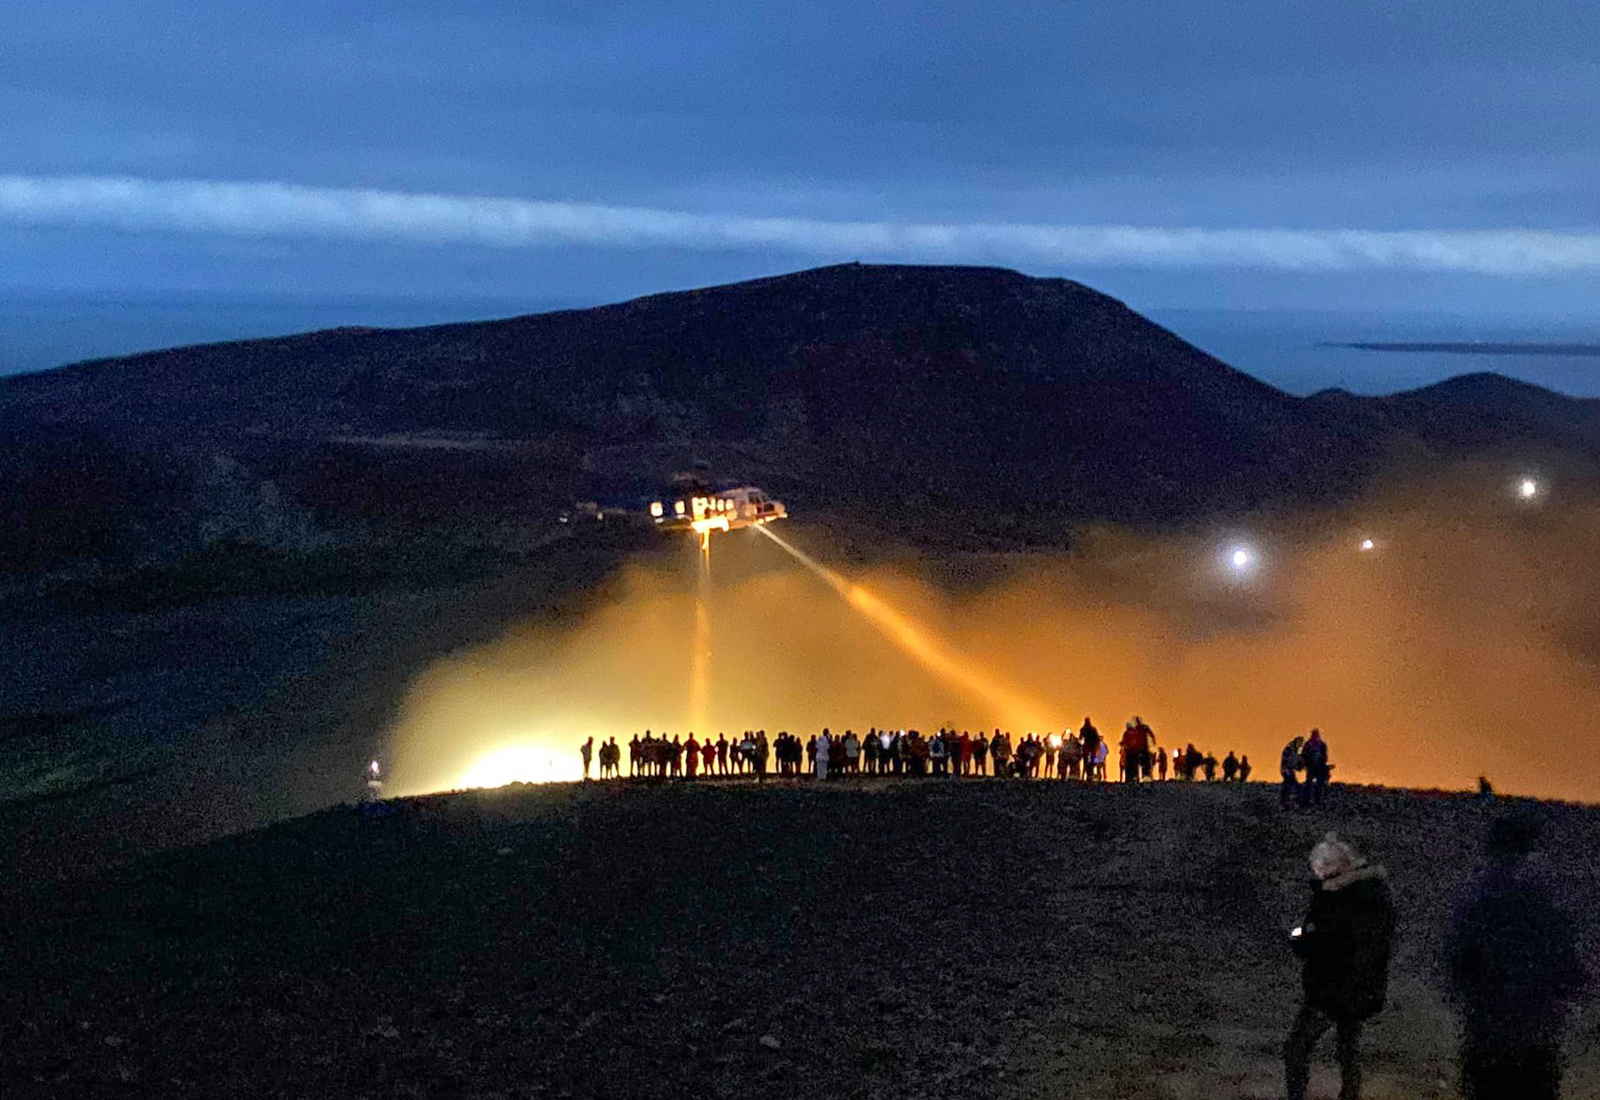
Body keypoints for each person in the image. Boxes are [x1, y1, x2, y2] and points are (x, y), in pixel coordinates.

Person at [1445, 810, 1587, 1100]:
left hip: (1487, 1031)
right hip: (1537, 1031)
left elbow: (1456, 960)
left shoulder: (1477, 893)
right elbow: (1569, 964)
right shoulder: (1549, 895)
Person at [1284, 833, 1395, 1100]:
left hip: (1332, 987)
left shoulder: (1338, 898)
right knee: (1348, 1049)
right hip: (1361, 986)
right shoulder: (1374, 894)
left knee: (1297, 1048)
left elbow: (1324, 942)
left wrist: (1300, 939)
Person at [1302, 729, 1331, 807]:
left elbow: (1324, 757)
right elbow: (1304, 756)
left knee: (1317, 784)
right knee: (1312, 784)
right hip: (1312, 768)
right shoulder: (1311, 744)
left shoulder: (1319, 745)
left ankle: (1316, 800)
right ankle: (1310, 800)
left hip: (1317, 768)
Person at [1281, 737, 1305, 810]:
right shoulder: (1291, 749)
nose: (1301, 745)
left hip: (1287, 770)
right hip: (1287, 771)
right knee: (1293, 787)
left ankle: (1284, 804)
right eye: (1301, 743)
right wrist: (1299, 764)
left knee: (1287, 787)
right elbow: (1291, 761)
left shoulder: (1292, 748)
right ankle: (1290, 804)